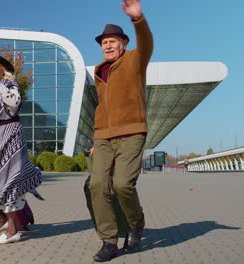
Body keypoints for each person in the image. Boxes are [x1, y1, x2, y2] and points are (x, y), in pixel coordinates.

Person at [89, 0, 153, 261]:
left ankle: (136, 223)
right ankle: (109, 241)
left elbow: (147, 42)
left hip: (132, 133)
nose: (107, 44)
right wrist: (95, 136)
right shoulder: (99, 71)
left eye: (113, 41)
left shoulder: (135, 61)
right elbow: (103, 106)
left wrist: (138, 19)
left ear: (124, 44)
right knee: (97, 185)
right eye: (104, 42)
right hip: (103, 136)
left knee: (122, 184)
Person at [0, 53, 43, 244]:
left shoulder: (10, 86)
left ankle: (13, 231)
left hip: (9, 139)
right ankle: (0, 220)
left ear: (3, 69)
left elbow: (13, 103)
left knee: (9, 184)